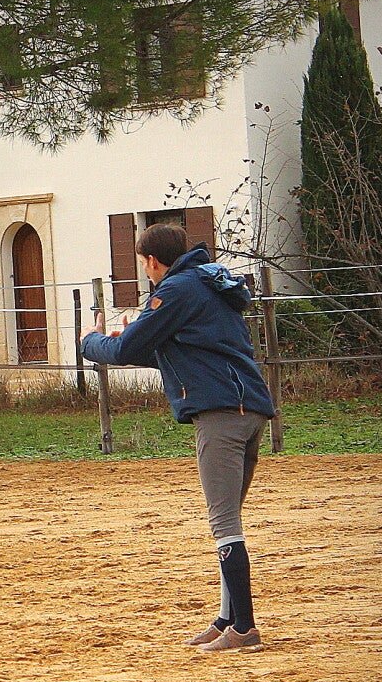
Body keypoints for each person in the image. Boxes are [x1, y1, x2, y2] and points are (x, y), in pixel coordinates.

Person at [80, 223, 276, 652]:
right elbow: (181, 352)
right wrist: (130, 341)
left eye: (142, 263)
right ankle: (226, 620)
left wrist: (90, 342)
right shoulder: (206, 283)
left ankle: (245, 629)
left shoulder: (175, 289)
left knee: (224, 523)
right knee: (229, 518)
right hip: (249, 408)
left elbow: (127, 350)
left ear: (152, 261)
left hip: (220, 414)